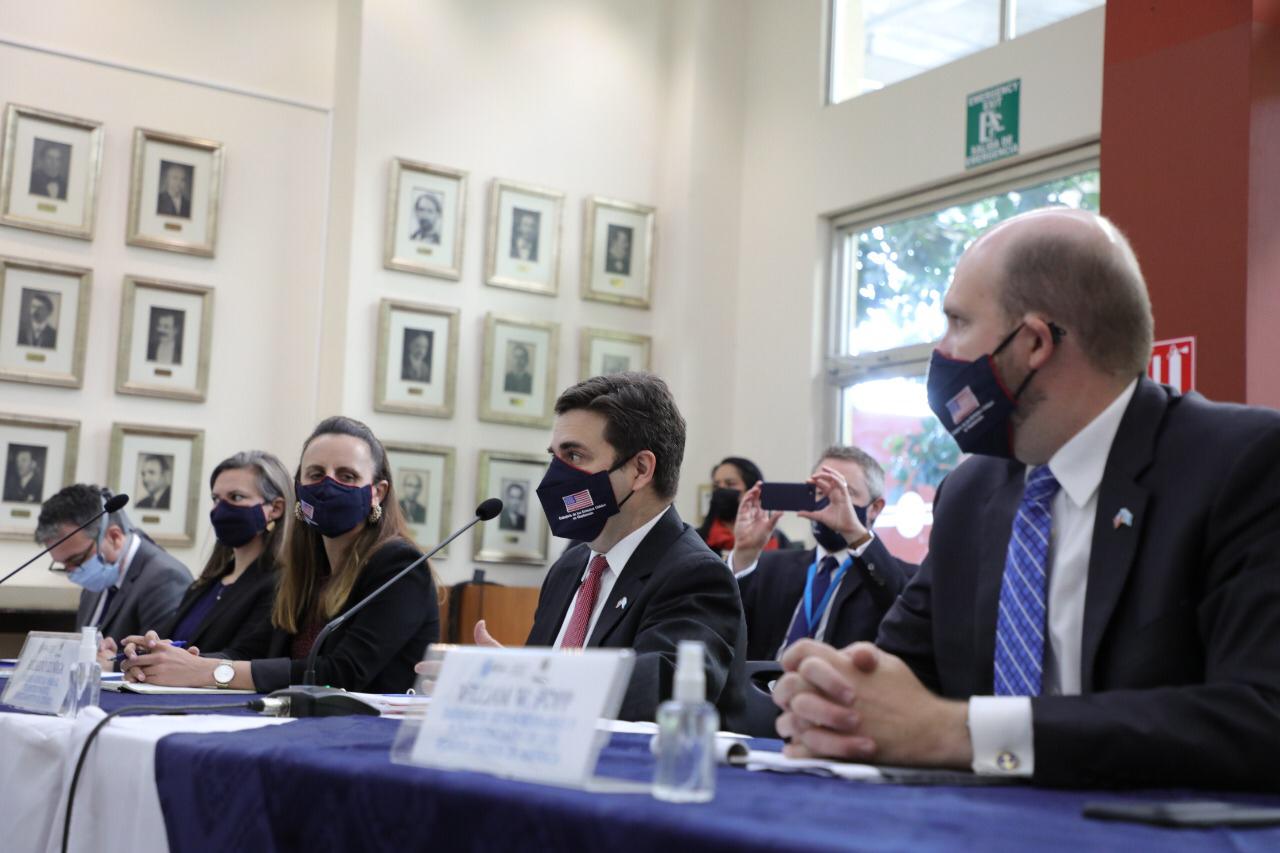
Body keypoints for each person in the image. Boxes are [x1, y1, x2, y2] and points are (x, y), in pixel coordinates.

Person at [773, 208, 1280, 790]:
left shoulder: (1241, 465)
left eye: (958, 323)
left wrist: (964, 732)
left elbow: (1261, 716)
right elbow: (896, 677)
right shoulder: (969, 493)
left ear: (1035, 342)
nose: (942, 350)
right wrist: (833, 696)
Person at [447, 373, 748, 724]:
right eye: (555, 457)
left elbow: (659, 692)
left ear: (640, 469)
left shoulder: (696, 574)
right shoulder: (570, 568)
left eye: (574, 455)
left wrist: (526, 681)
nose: (556, 476)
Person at [121, 416, 439, 694]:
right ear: (299, 487)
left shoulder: (400, 566)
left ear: (377, 492)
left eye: (347, 476)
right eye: (316, 474)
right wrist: (163, 660)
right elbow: (252, 651)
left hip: (372, 741)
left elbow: (341, 674)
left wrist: (208, 673)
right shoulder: (305, 569)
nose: (328, 485)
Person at [112, 451, 291, 670]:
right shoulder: (208, 582)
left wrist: (169, 660)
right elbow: (172, 643)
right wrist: (141, 649)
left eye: (236, 497)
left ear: (275, 508)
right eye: (216, 499)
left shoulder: (280, 583)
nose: (220, 509)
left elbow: (247, 657)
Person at [732, 446, 908, 662]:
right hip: (763, 690)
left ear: (874, 508)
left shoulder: (889, 576)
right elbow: (726, 623)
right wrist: (744, 554)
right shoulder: (772, 567)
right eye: (820, 491)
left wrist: (853, 531)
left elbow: (901, 613)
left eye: (845, 492)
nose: (831, 501)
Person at [37, 484, 191, 642]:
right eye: (63, 565)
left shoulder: (165, 579)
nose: (72, 572)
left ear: (114, 537)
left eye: (76, 560)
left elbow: (161, 659)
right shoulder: (97, 578)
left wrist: (110, 663)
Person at [695, 456, 789, 556]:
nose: (721, 490)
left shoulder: (777, 540)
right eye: (716, 486)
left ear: (753, 490)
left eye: (730, 484)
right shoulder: (697, 540)